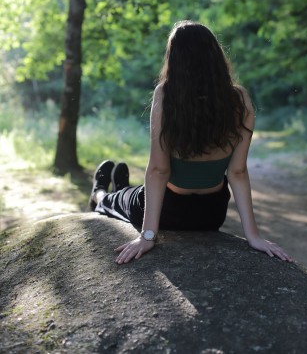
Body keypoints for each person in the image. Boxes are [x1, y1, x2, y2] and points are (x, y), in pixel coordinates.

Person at [89, 21, 292, 265]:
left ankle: (99, 193)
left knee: (115, 201)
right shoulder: (239, 99)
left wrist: (148, 236)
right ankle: (121, 187)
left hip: (169, 211)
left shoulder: (165, 94)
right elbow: (237, 172)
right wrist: (254, 237)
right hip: (211, 214)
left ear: (175, 59)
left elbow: (159, 170)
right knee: (129, 194)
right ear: (215, 56)